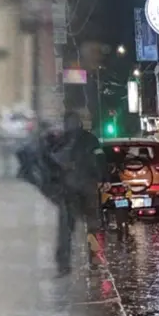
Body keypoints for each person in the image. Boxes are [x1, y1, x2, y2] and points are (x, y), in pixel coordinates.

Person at [48, 111, 109, 276]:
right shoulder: (89, 139)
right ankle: (94, 260)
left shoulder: (62, 141)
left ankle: (64, 265)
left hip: (70, 190)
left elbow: (52, 165)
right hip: (86, 188)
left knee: (67, 229)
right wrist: (104, 178)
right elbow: (101, 159)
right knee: (92, 226)